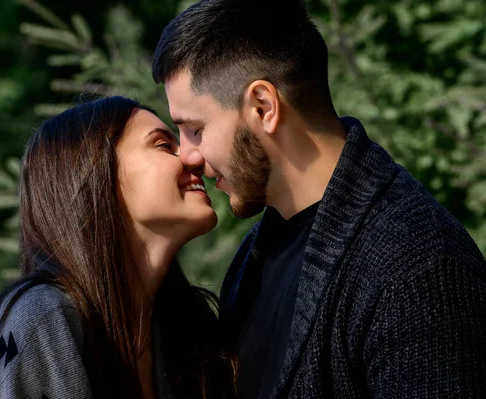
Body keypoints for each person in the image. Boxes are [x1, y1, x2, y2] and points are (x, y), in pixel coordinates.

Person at [152, 0, 486, 397]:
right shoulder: (253, 258)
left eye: (195, 129)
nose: (189, 154)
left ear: (264, 107)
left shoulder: (418, 266)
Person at [0, 96, 237, 399]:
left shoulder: (189, 331)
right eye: (163, 145)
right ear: (97, 174)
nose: (194, 158)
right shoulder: (37, 319)